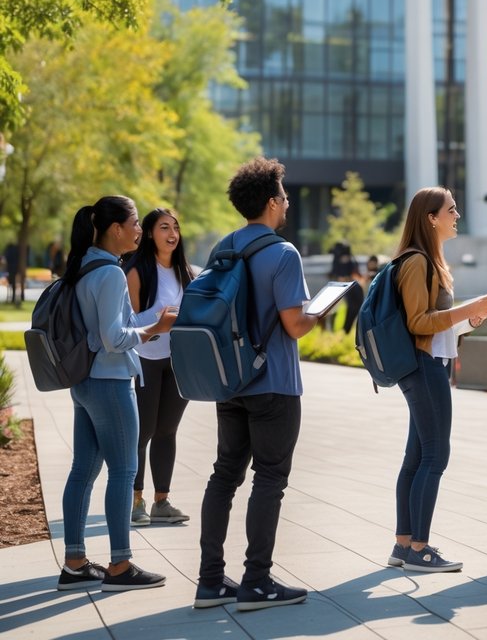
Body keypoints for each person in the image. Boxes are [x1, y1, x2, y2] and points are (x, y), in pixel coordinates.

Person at [194, 157, 319, 611]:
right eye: (284, 197)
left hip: (230, 381)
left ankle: (210, 581)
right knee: (270, 478)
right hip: (274, 383)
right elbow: (294, 325)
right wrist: (319, 311)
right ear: (271, 202)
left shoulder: (223, 248)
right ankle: (257, 581)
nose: (286, 204)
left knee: (224, 474)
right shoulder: (283, 253)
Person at [56, 196, 176, 593]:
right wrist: (153, 329)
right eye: (136, 222)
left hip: (85, 382)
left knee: (83, 471)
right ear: (115, 229)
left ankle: (74, 563)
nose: (140, 229)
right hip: (109, 382)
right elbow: (113, 338)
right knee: (124, 472)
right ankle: (120, 565)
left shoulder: (83, 267)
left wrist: (148, 325)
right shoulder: (109, 274)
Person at [386, 188, 487, 573]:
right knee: (435, 456)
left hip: (427, 363)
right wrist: (466, 308)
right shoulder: (417, 262)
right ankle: (420, 548)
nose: (458, 215)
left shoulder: (428, 261)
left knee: (417, 457)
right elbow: (418, 323)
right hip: (424, 367)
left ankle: (404, 545)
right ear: (431, 218)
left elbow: (436, 327)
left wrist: (471, 319)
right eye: (451, 210)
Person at [125, 208, 195, 528]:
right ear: (150, 233)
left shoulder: (185, 271)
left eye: (176, 227)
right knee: (143, 432)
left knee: (167, 430)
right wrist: (159, 323)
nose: (172, 233)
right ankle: (136, 500)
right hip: (146, 359)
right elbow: (128, 323)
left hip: (178, 360)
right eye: (164, 227)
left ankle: (161, 501)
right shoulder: (137, 271)